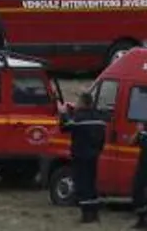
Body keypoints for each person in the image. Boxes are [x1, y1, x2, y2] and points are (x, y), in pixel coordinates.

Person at [60, 89, 107, 223]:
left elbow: (64, 127)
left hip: (81, 156)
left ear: (83, 103)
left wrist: (63, 113)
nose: (77, 103)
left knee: (82, 185)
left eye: (78, 101)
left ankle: (86, 215)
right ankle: (95, 213)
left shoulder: (79, 118)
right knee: (92, 184)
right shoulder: (99, 117)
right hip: (94, 156)